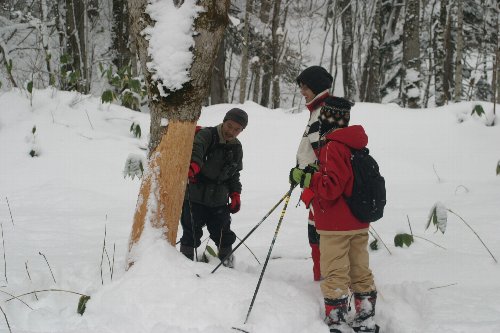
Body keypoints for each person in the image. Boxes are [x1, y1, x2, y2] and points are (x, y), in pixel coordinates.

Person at [298, 100, 379, 333]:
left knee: (335, 272)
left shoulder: (332, 146)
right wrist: (319, 172)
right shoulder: (356, 144)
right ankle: (365, 317)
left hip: (335, 223)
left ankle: (337, 320)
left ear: (327, 120)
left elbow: (331, 187)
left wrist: (307, 179)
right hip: (358, 221)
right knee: (360, 269)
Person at [179, 108, 248, 268]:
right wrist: (194, 165)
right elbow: (197, 149)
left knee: (224, 234)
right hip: (195, 196)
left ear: (241, 130)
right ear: (224, 121)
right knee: (191, 233)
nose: (231, 131)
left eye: (237, 129)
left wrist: (235, 193)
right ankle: (183, 268)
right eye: (229, 126)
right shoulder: (207, 135)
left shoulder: (237, 147)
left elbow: (234, 174)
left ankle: (228, 266)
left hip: (219, 199)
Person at [289, 65, 334, 281]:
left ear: (316, 87)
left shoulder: (325, 112)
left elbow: (330, 156)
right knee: (314, 232)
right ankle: (321, 279)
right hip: (314, 185)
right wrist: (300, 170)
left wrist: (310, 174)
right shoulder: (317, 110)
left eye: (305, 87)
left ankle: (327, 281)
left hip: (323, 187)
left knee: (322, 235)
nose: (301, 91)